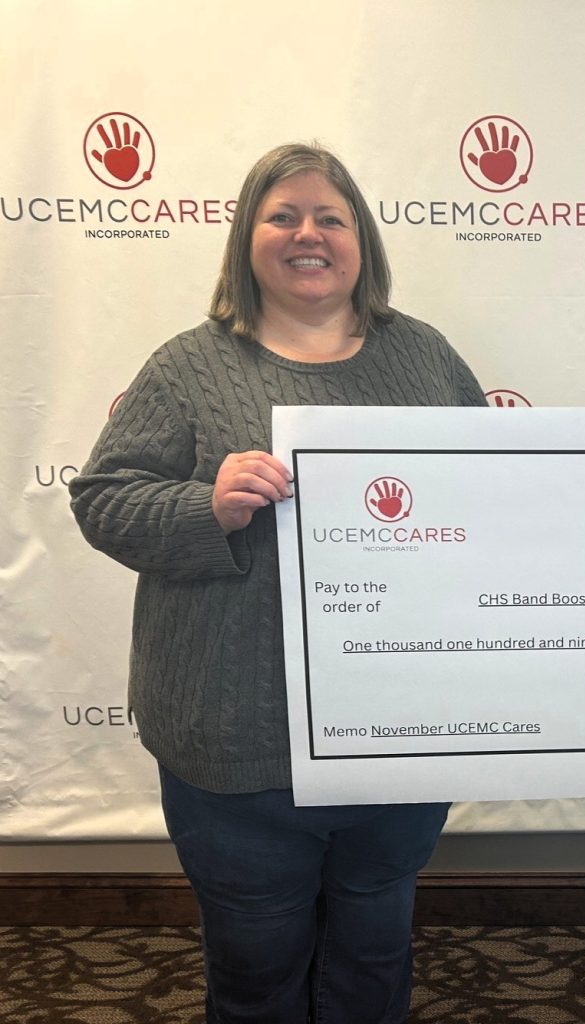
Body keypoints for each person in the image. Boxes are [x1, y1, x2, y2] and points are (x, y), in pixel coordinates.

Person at [70, 143, 487, 1023]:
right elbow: (103, 500)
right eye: (283, 216)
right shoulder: (187, 367)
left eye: (331, 217)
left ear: (362, 240)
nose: (309, 234)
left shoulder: (425, 358)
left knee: (374, 955)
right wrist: (205, 506)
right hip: (235, 745)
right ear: (246, 239)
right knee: (256, 972)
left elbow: (495, 497)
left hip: (398, 735)